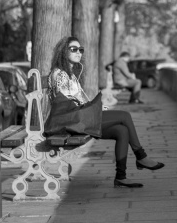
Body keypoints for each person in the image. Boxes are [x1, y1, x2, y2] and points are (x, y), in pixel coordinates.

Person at [47, 36, 165, 188]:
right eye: (73, 49)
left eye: (80, 50)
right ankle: (141, 156)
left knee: (121, 130)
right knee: (124, 116)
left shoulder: (70, 74)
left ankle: (121, 177)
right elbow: (66, 103)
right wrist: (92, 109)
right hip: (72, 122)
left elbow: (79, 99)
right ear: (63, 52)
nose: (78, 53)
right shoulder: (60, 74)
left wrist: (97, 107)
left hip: (79, 118)